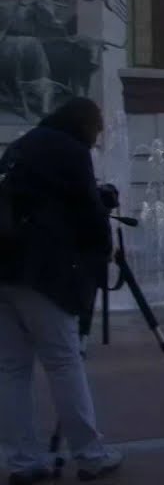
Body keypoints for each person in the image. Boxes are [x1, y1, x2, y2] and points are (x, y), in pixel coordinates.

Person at [0, 98, 123, 483]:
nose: (97, 139)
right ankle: (90, 456)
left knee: (11, 369)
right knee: (64, 362)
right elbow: (87, 213)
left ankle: (23, 461)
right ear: (86, 124)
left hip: (3, 271)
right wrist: (104, 248)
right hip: (43, 274)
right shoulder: (70, 150)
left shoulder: (21, 146)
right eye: (97, 130)